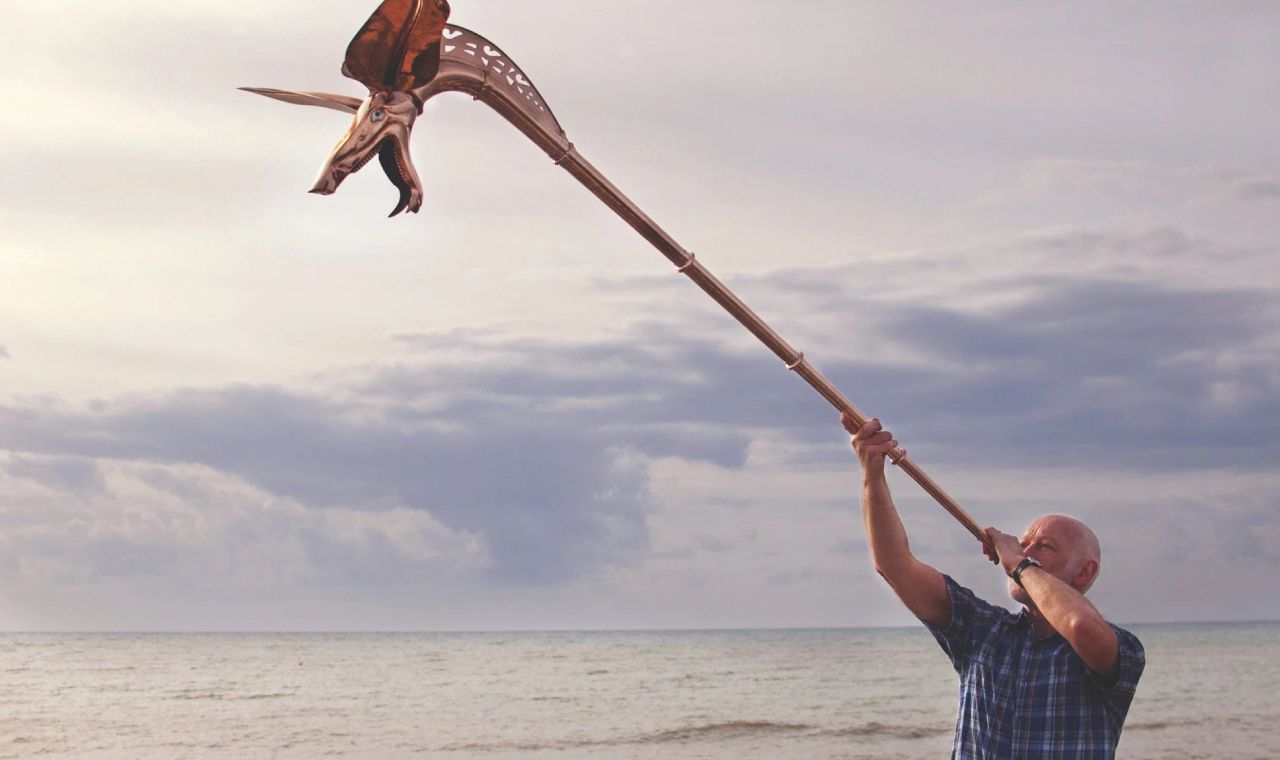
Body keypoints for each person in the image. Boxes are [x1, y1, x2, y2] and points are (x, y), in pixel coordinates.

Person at [842, 413, 1144, 760]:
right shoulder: (984, 629)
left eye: (1043, 546)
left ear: (1084, 573)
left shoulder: (1124, 649)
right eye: (1024, 544)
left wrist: (1018, 563)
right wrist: (872, 473)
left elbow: (1081, 625)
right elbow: (894, 565)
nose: (1026, 551)